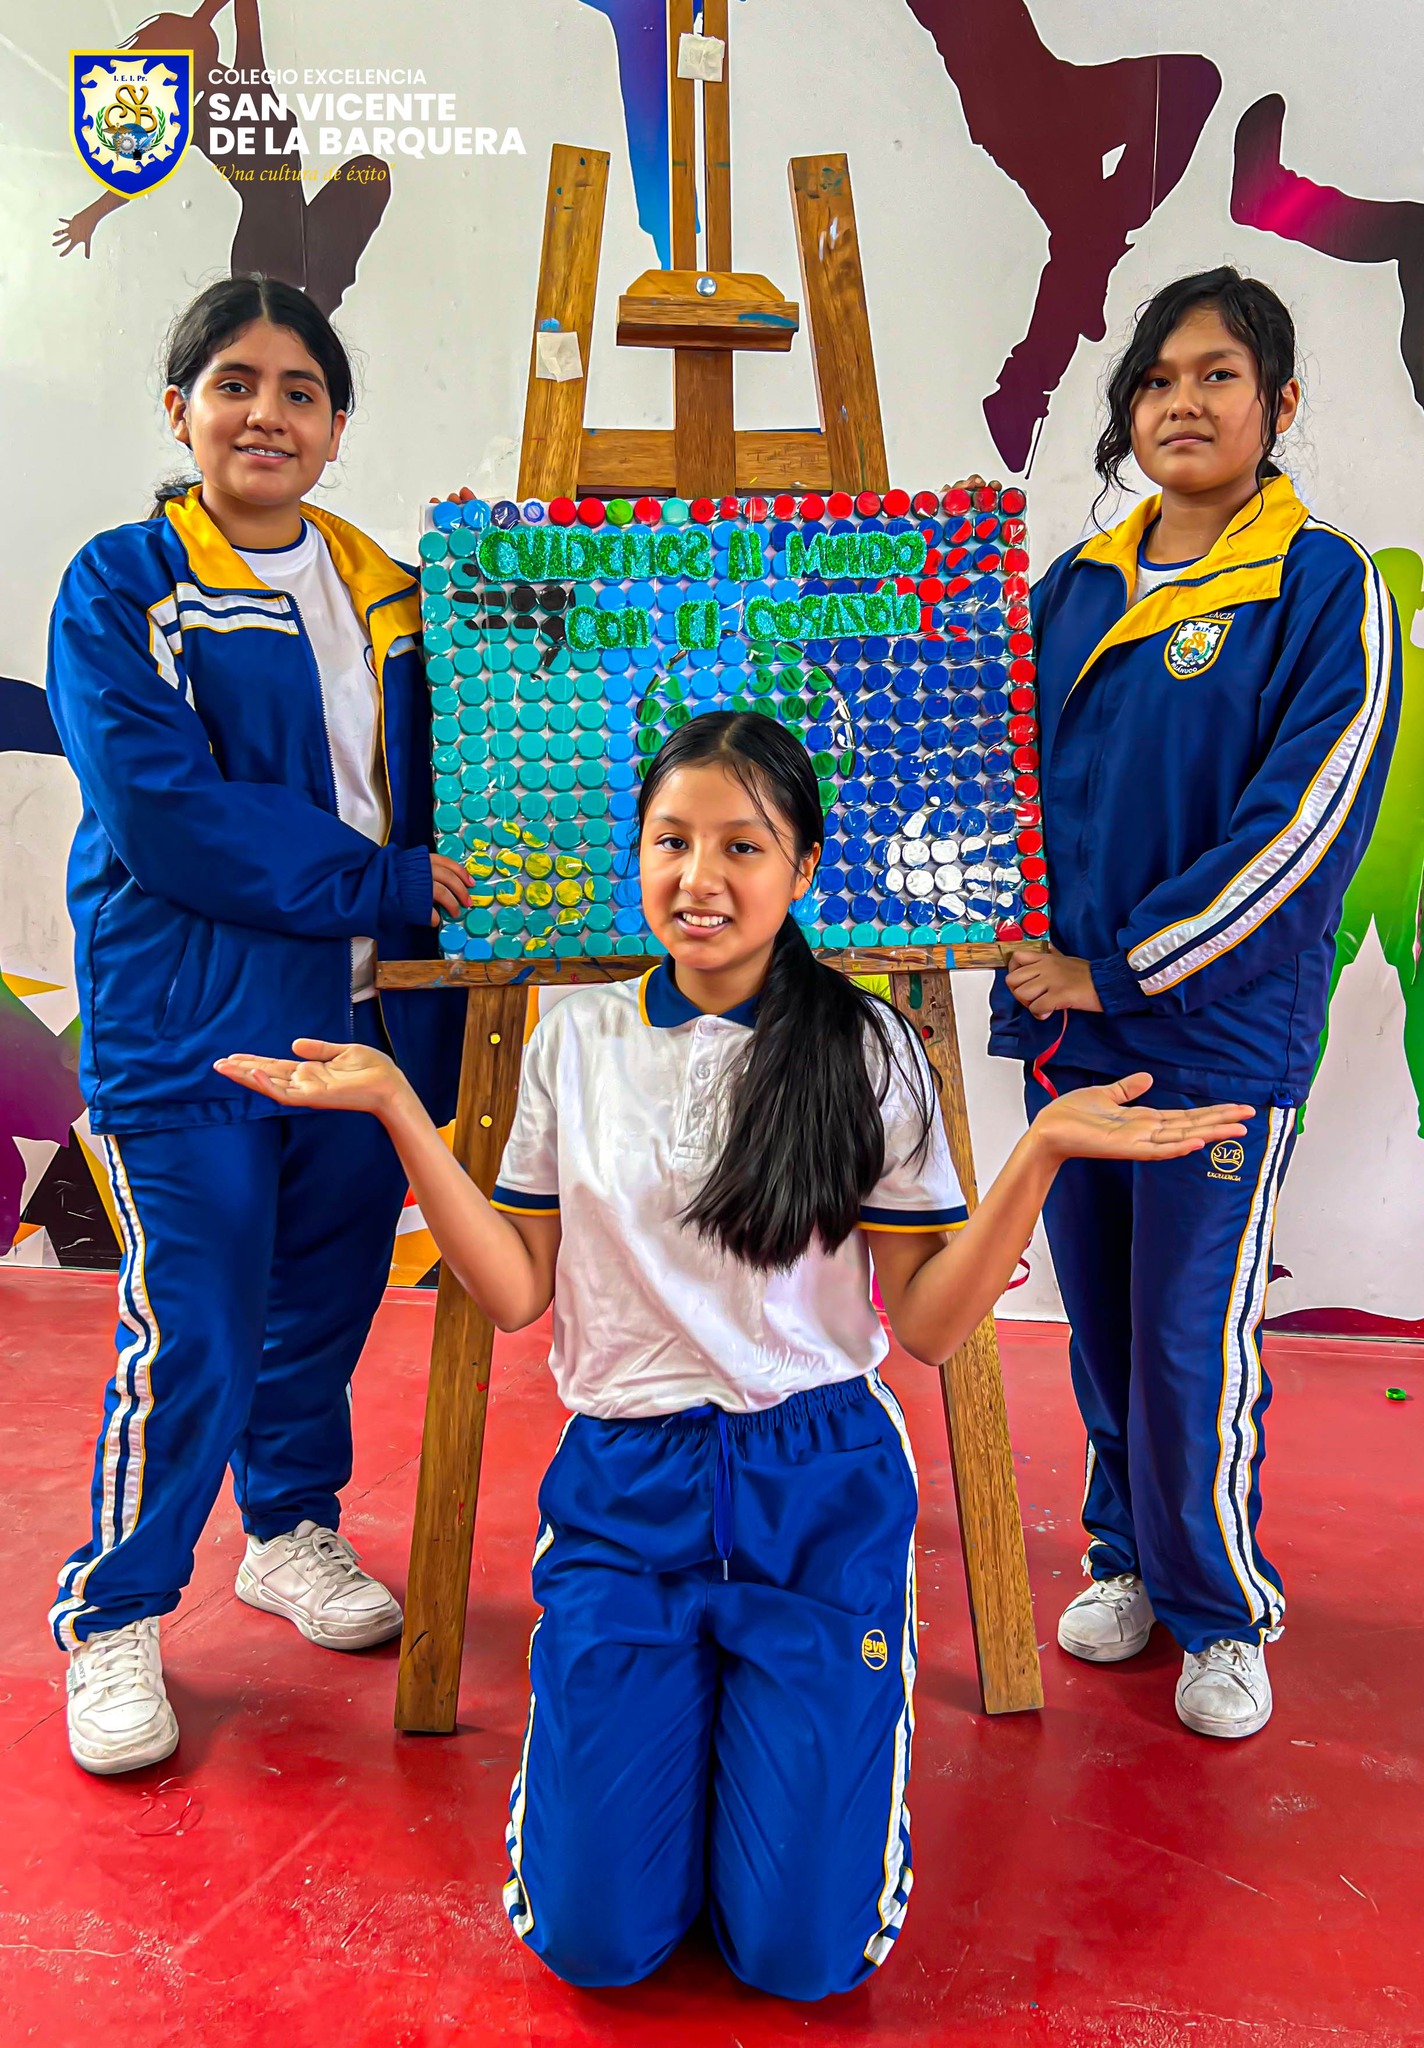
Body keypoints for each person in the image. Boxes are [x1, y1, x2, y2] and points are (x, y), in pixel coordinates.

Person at [219, 710, 1252, 1999]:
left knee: (801, 1959)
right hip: (627, 1491)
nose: (698, 879)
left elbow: (930, 1327)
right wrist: (390, 1104)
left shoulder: (866, 1045)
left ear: (803, 866)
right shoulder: (577, 1041)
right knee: (594, 1943)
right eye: (671, 842)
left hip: (815, 1490)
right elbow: (518, 1292)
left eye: (741, 847)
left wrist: (1038, 1153)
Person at [47, 274, 469, 1775]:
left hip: (367, 1023)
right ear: (181, 411)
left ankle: (287, 1531)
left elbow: (484, 763)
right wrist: (383, 881)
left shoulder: (402, 593)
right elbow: (169, 813)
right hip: (197, 1025)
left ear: (339, 426)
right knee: (200, 1328)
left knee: (323, 1304)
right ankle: (115, 1609)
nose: (267, 414)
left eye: (302, 391)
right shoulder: (124, 583)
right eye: (235, 383)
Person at [990, 267, 1401, 1738]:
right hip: (1072, 1036)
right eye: (1157, 378)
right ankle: (1129, 1558)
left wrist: (1119, 968)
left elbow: (1301, 831)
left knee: (1187, 1335)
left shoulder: (1322, 587)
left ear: (1277, 404)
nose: (1183, 401)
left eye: (1218, 374)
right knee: (1100, 1322)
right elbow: (998, 784)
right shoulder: (1073, 589)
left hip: (1216, 1033)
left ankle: (1223, 1609)